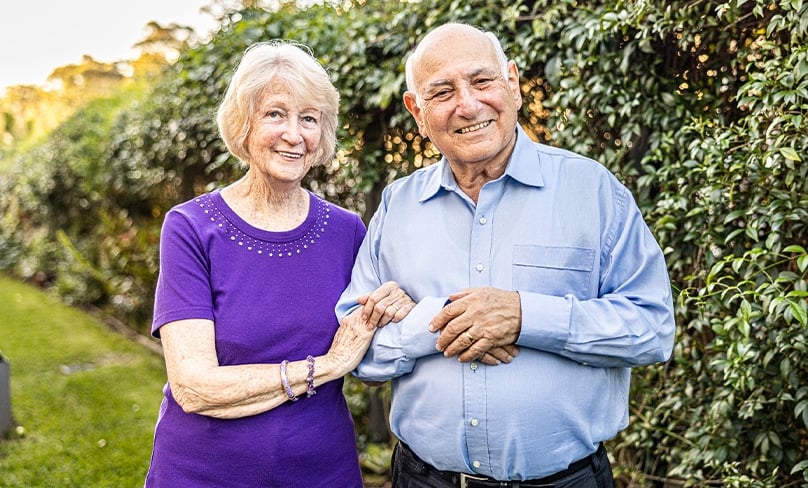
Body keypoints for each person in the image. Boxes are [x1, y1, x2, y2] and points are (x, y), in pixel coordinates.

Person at [337, 23, 676, 487]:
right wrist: (435, 322)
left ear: (512, 84)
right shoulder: (397, 206)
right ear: (417, 111)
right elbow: (356, 352)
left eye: (482, 81)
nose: (468, 105)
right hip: (422, 479)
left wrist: (523, 316)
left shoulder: (592, 191)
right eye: (442, 92)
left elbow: (651, 330)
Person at [144, 41, 413, 487]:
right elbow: (194, 387)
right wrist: (324, 367)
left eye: (309, 118)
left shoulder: (347, 231)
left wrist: (394, 307)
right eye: (275, 114)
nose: (294, 134)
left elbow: (370, 354)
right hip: (203, 472)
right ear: (243, 123)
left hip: (323, 470)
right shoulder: (191, 227)